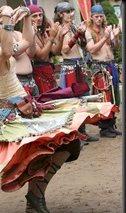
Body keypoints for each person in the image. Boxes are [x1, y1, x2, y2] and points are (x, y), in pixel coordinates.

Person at [0, 5, 119, 213]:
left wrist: (25, 18)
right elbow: (7, 51)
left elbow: (26, 43)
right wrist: (7, 15)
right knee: (54, 149)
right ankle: (34, 205)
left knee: (65, 145)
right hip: (11, 117)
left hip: (25, 109)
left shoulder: (1, 47)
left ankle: (34, 204)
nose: (5, 26)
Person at [53, 2, 99, 146]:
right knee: (72, 101)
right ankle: (74, 136)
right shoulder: (58, 29)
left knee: (83, 99)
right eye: (68, 12)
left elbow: (83, 46)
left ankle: (82, 132)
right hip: (69, 67)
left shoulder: (73, 26)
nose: (71, 14)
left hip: (79, 65)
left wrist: (82, 33)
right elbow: (65, 50)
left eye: (72, 11)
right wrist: (77, 35)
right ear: (60, 14)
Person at [85, 4, 122, 138]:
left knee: (114, 96)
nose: (99, 19)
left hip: (111, 66)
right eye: (97, 16)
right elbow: (92, 50)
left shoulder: (106, 29)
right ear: (92, 17)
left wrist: (116, 37)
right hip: (100, 69)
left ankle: (111, 124)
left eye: (101, 16)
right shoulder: (88, 31)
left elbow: (116, 47)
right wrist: (105, 38)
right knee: (104, 97)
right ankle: (104, 127)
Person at [27, 4, 62, 94]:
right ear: (28, 18)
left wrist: (60, 36)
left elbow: (55, 51)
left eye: (40, 15)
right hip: (39, 73)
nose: (39, 18)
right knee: (45, 102)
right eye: (34, 16)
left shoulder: (42, 33)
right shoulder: (28, 35)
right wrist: (52, 36)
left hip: (48, 70)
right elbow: (42, 56)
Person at [13, 26, 39, 96]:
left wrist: (32, 37)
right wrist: (27, 41)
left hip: (31, 80)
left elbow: (30, 54)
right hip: (18, 82)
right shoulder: (2, 37)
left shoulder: (18, 33)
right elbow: (15, 52)